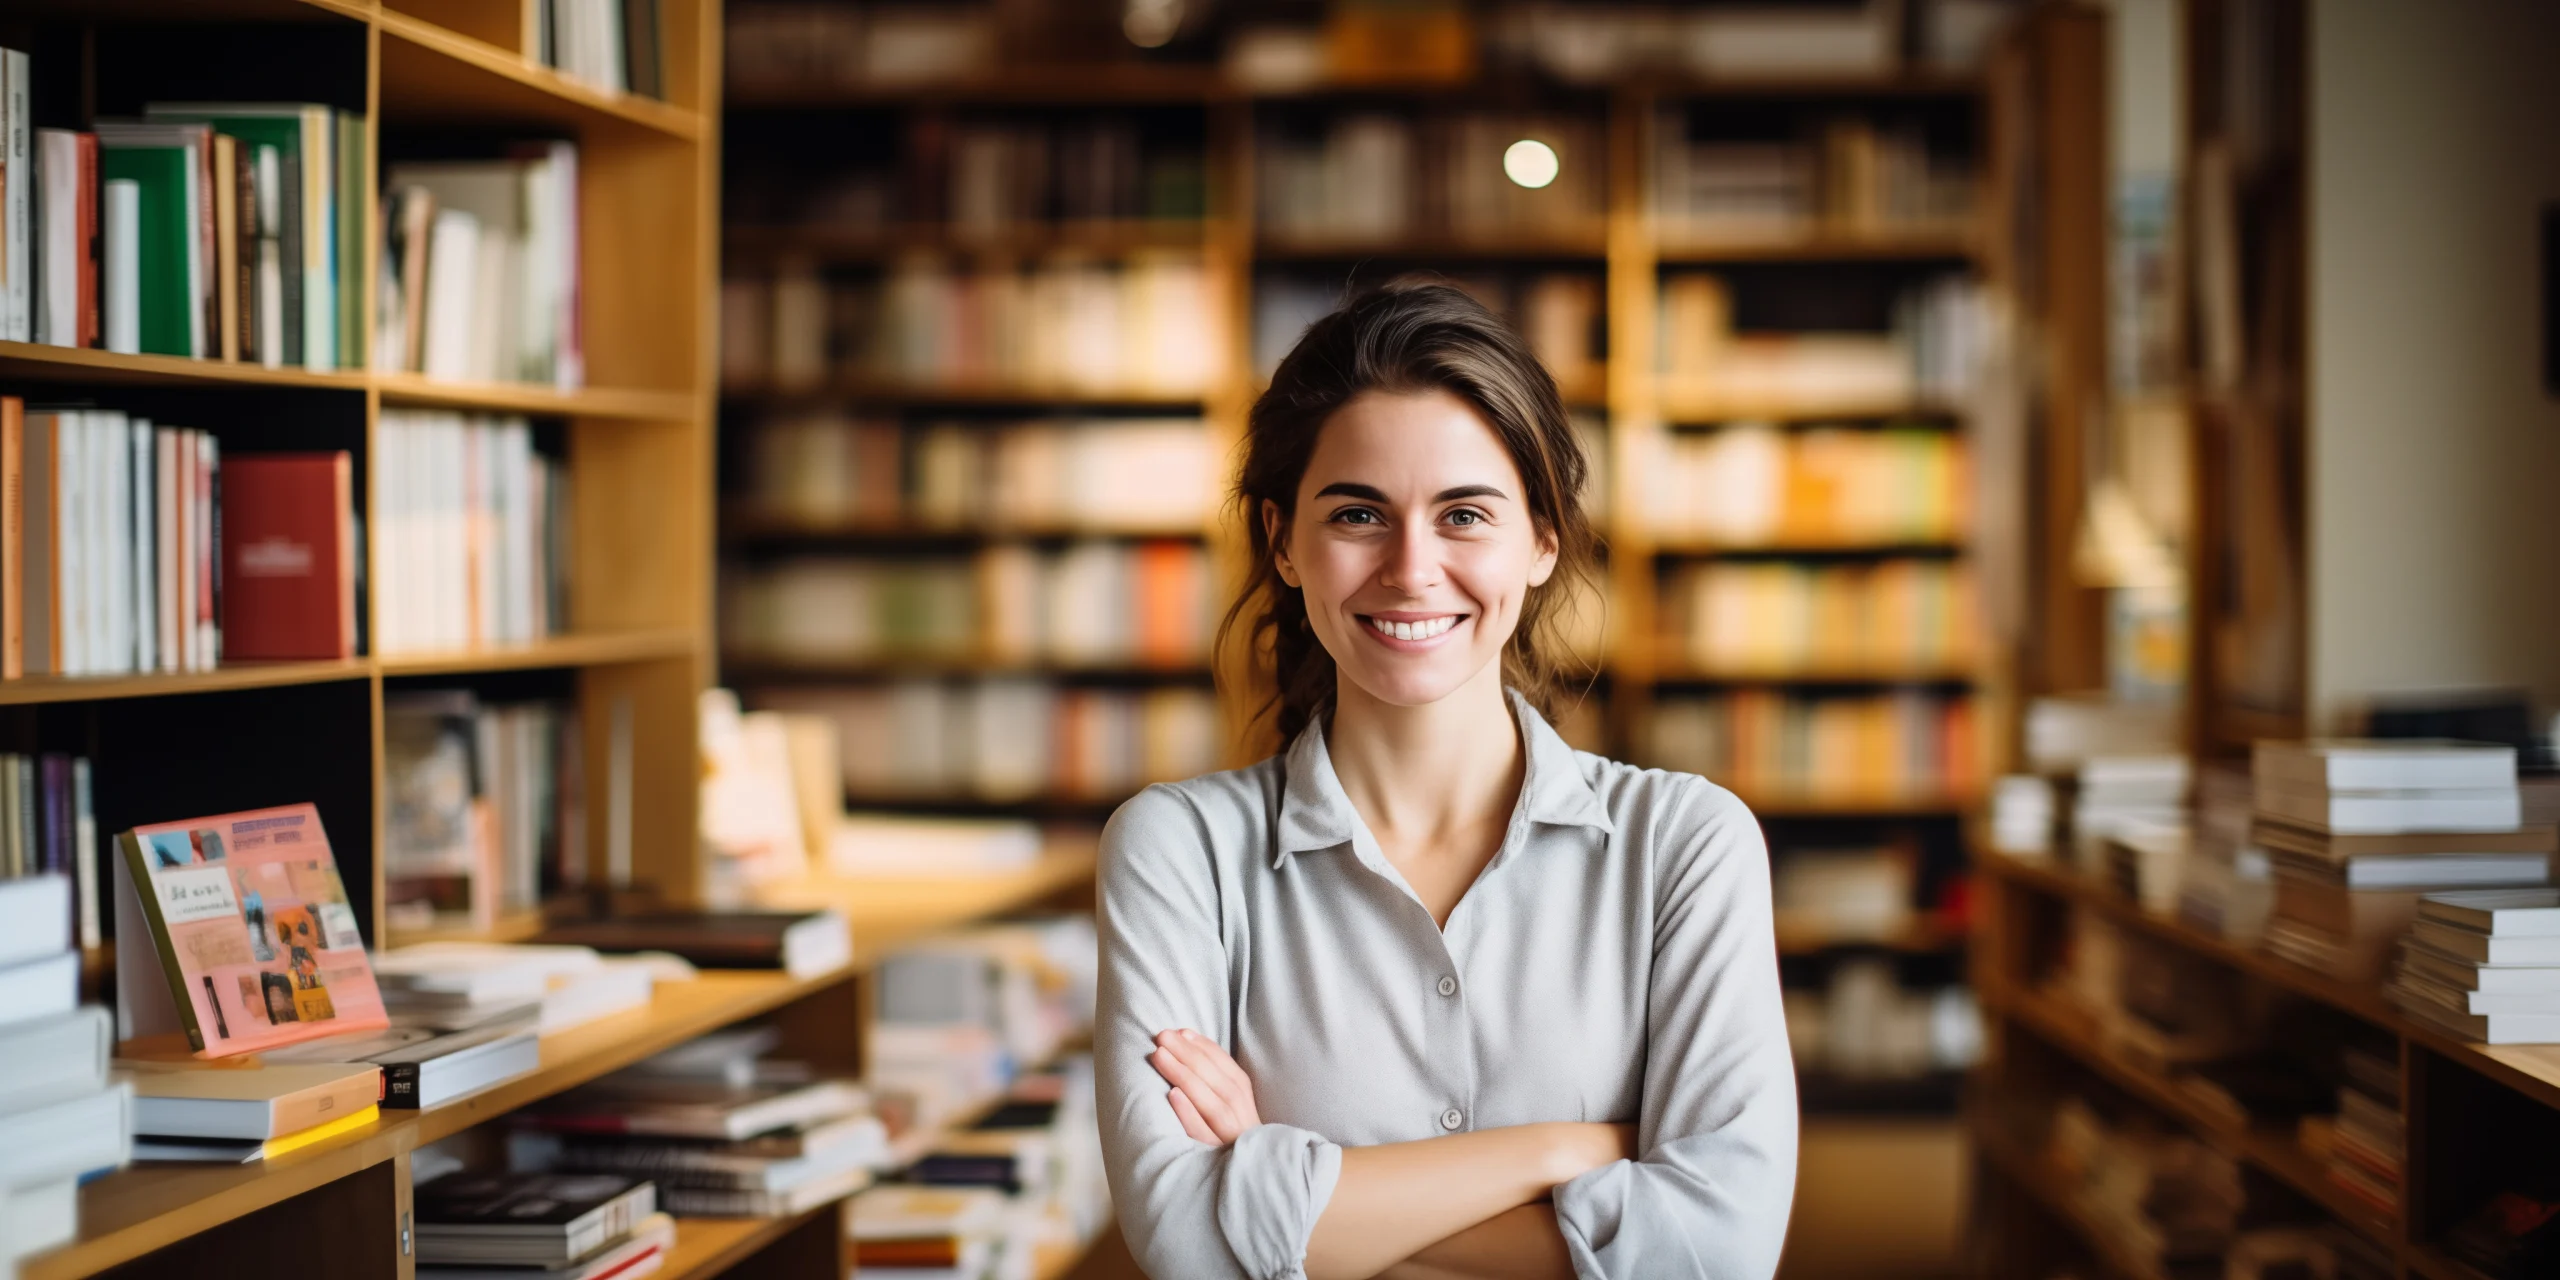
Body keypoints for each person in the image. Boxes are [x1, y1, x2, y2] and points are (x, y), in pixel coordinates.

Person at [1096, 282, 1797, 1280]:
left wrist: (1288, 1189)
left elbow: (1715, 1252)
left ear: (1543, 538)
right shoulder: (1179, 852)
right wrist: (1574, 1149)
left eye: (1464, 513)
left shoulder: (1685, 842)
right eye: (1357, 514)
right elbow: (1188, 1242)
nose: (1412, 567)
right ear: (1282, 541)